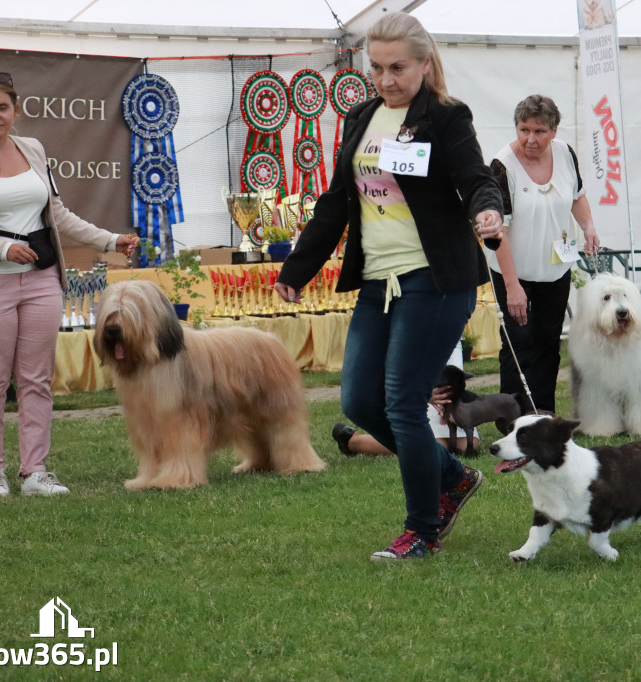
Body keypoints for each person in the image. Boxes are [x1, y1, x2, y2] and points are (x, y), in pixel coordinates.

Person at [274, 12, 503, 561]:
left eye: (397, 68)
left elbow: (476, 180)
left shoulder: (446, 117)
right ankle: (452, 476)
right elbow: (336, 202)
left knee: (402, 404)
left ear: (424, 63)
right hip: (379, 283)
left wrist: (489, 211)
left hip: (436, 280)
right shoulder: (361, 116)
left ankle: (421, 530)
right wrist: (296, 269)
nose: (385, 79)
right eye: (375, 68)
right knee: (359, 400)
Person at [0, 71, 139, 496]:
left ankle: (35, 472)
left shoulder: (33, 149)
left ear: (15, 110)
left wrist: (109, 240)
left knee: (36, 379)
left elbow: (58, 215)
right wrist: (0, 249)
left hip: (42, 280)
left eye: (2, 107)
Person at [487, 95, 599, 414]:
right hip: (513, 270)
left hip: (555, 269)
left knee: (548, 342)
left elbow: (576, 195)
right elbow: (499, 233)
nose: (530, 139)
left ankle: (544, 413)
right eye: (523, 130)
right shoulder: (501, 165)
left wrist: (588, 225)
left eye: (539, 131)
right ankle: (512, 417)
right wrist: (512, 287)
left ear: (553, 131)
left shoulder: (565, 153)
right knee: (518, 343)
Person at [331, 342, 481, 456]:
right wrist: (421, 392)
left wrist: (450, 402)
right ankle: (352, 441)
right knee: (435, 447)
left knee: (469, 445)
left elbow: (454, 372)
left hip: (440, 378)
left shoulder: (451, 316)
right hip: (413, 382)